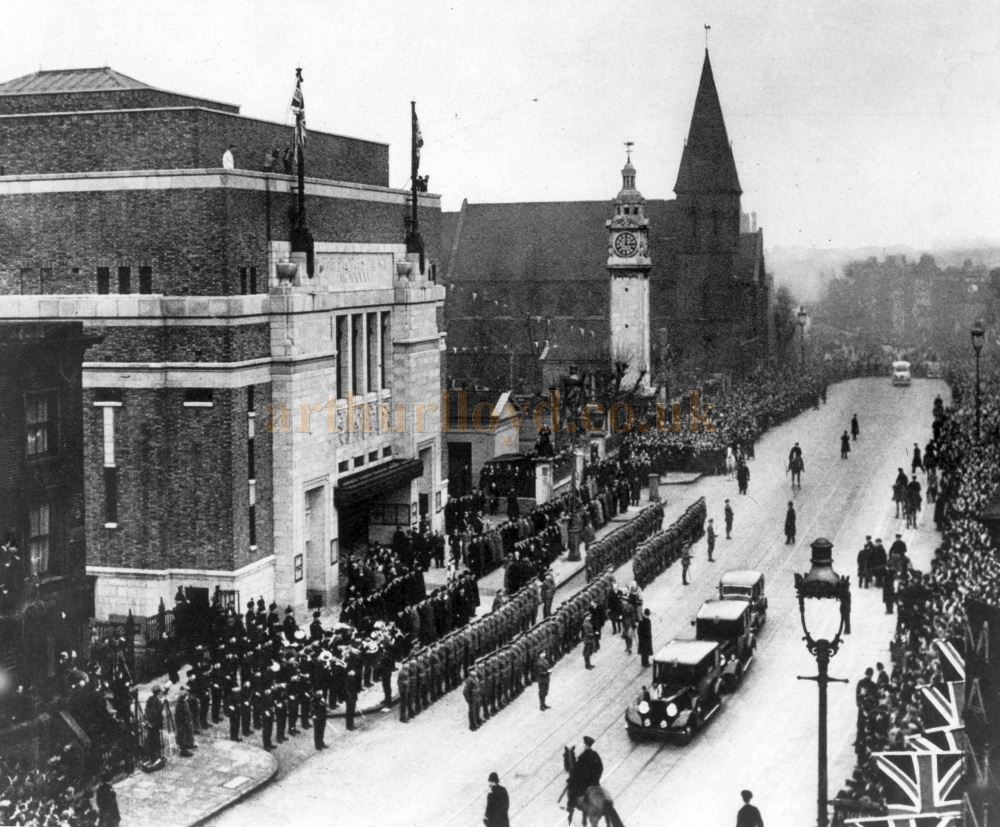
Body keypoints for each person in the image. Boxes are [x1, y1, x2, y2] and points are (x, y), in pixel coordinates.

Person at [568, 736, 604, 808]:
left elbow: (579, 767)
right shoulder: (594, 755)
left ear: (586, 745)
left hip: (586, 780)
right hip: (592, 779)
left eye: (584, 744)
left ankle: (572, 805)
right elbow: (600, 767)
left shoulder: (585, 755)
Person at [174, 687, 196, 757]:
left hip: (186, 722)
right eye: (187, 696)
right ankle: (183, 751)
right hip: (182, 724)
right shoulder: (180, 705)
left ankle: (189, 744)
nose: (188, 697)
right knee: (182, 736)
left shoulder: (184, 702)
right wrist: (186, 721)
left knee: (188, 734)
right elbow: (180, 716)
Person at [144, 686, 164, 761]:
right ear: (159, 693)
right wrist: (161, 704)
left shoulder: (150, 698)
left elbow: (147, 710)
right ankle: (156, 757)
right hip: (154, 724)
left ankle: (152, 756)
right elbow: (156, 713)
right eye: (161, 692)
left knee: (151, 740)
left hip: (150, 723)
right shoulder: (157, 701)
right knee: (155, 740)